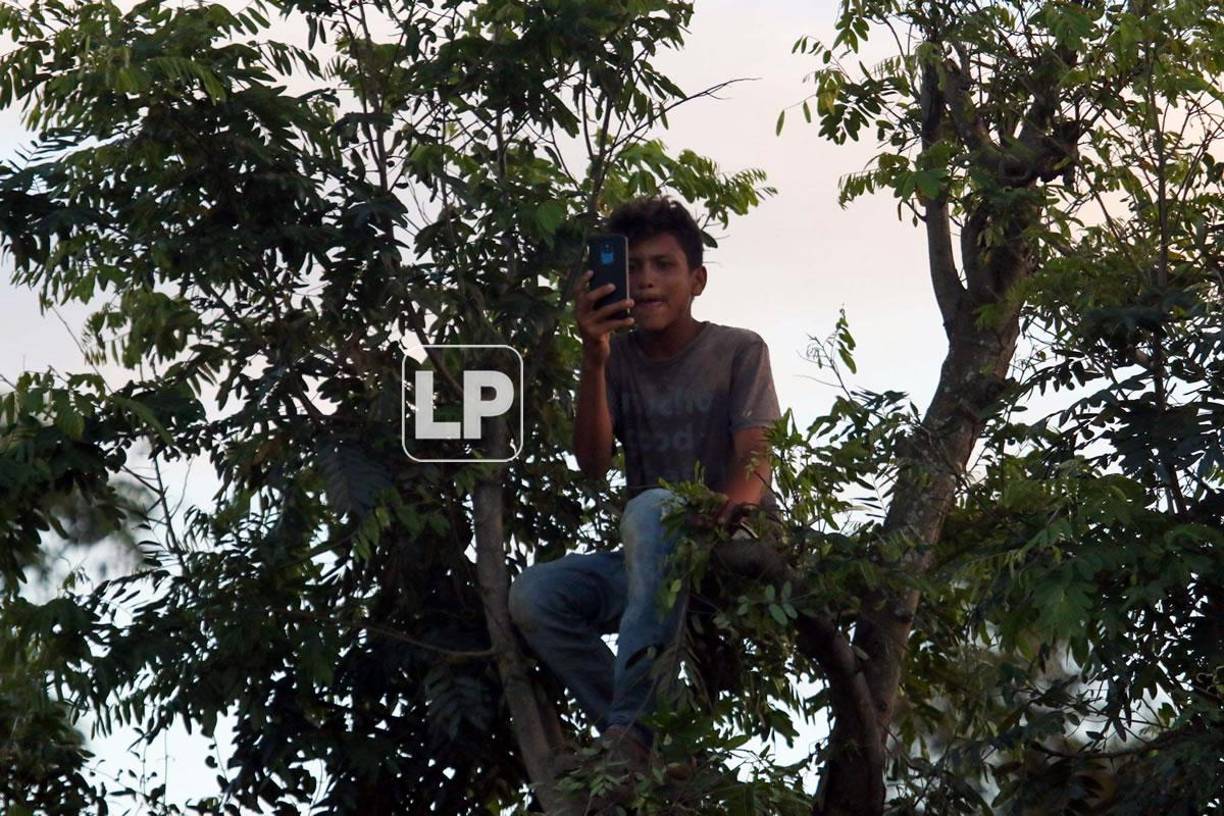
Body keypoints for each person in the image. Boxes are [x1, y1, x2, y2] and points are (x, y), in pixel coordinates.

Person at [507, 195, 782, 791]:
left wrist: (727, 517)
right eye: (631, 268)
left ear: (697, 279)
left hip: (728, 544)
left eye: (663, 266)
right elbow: (591, 461)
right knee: (535, 596)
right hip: (651, 554)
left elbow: (755, 455)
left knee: (653, 506)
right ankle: (646, 735)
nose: (646, 281)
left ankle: (630, 736)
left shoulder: (738, 348)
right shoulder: (617, 357)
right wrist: (594, 357)